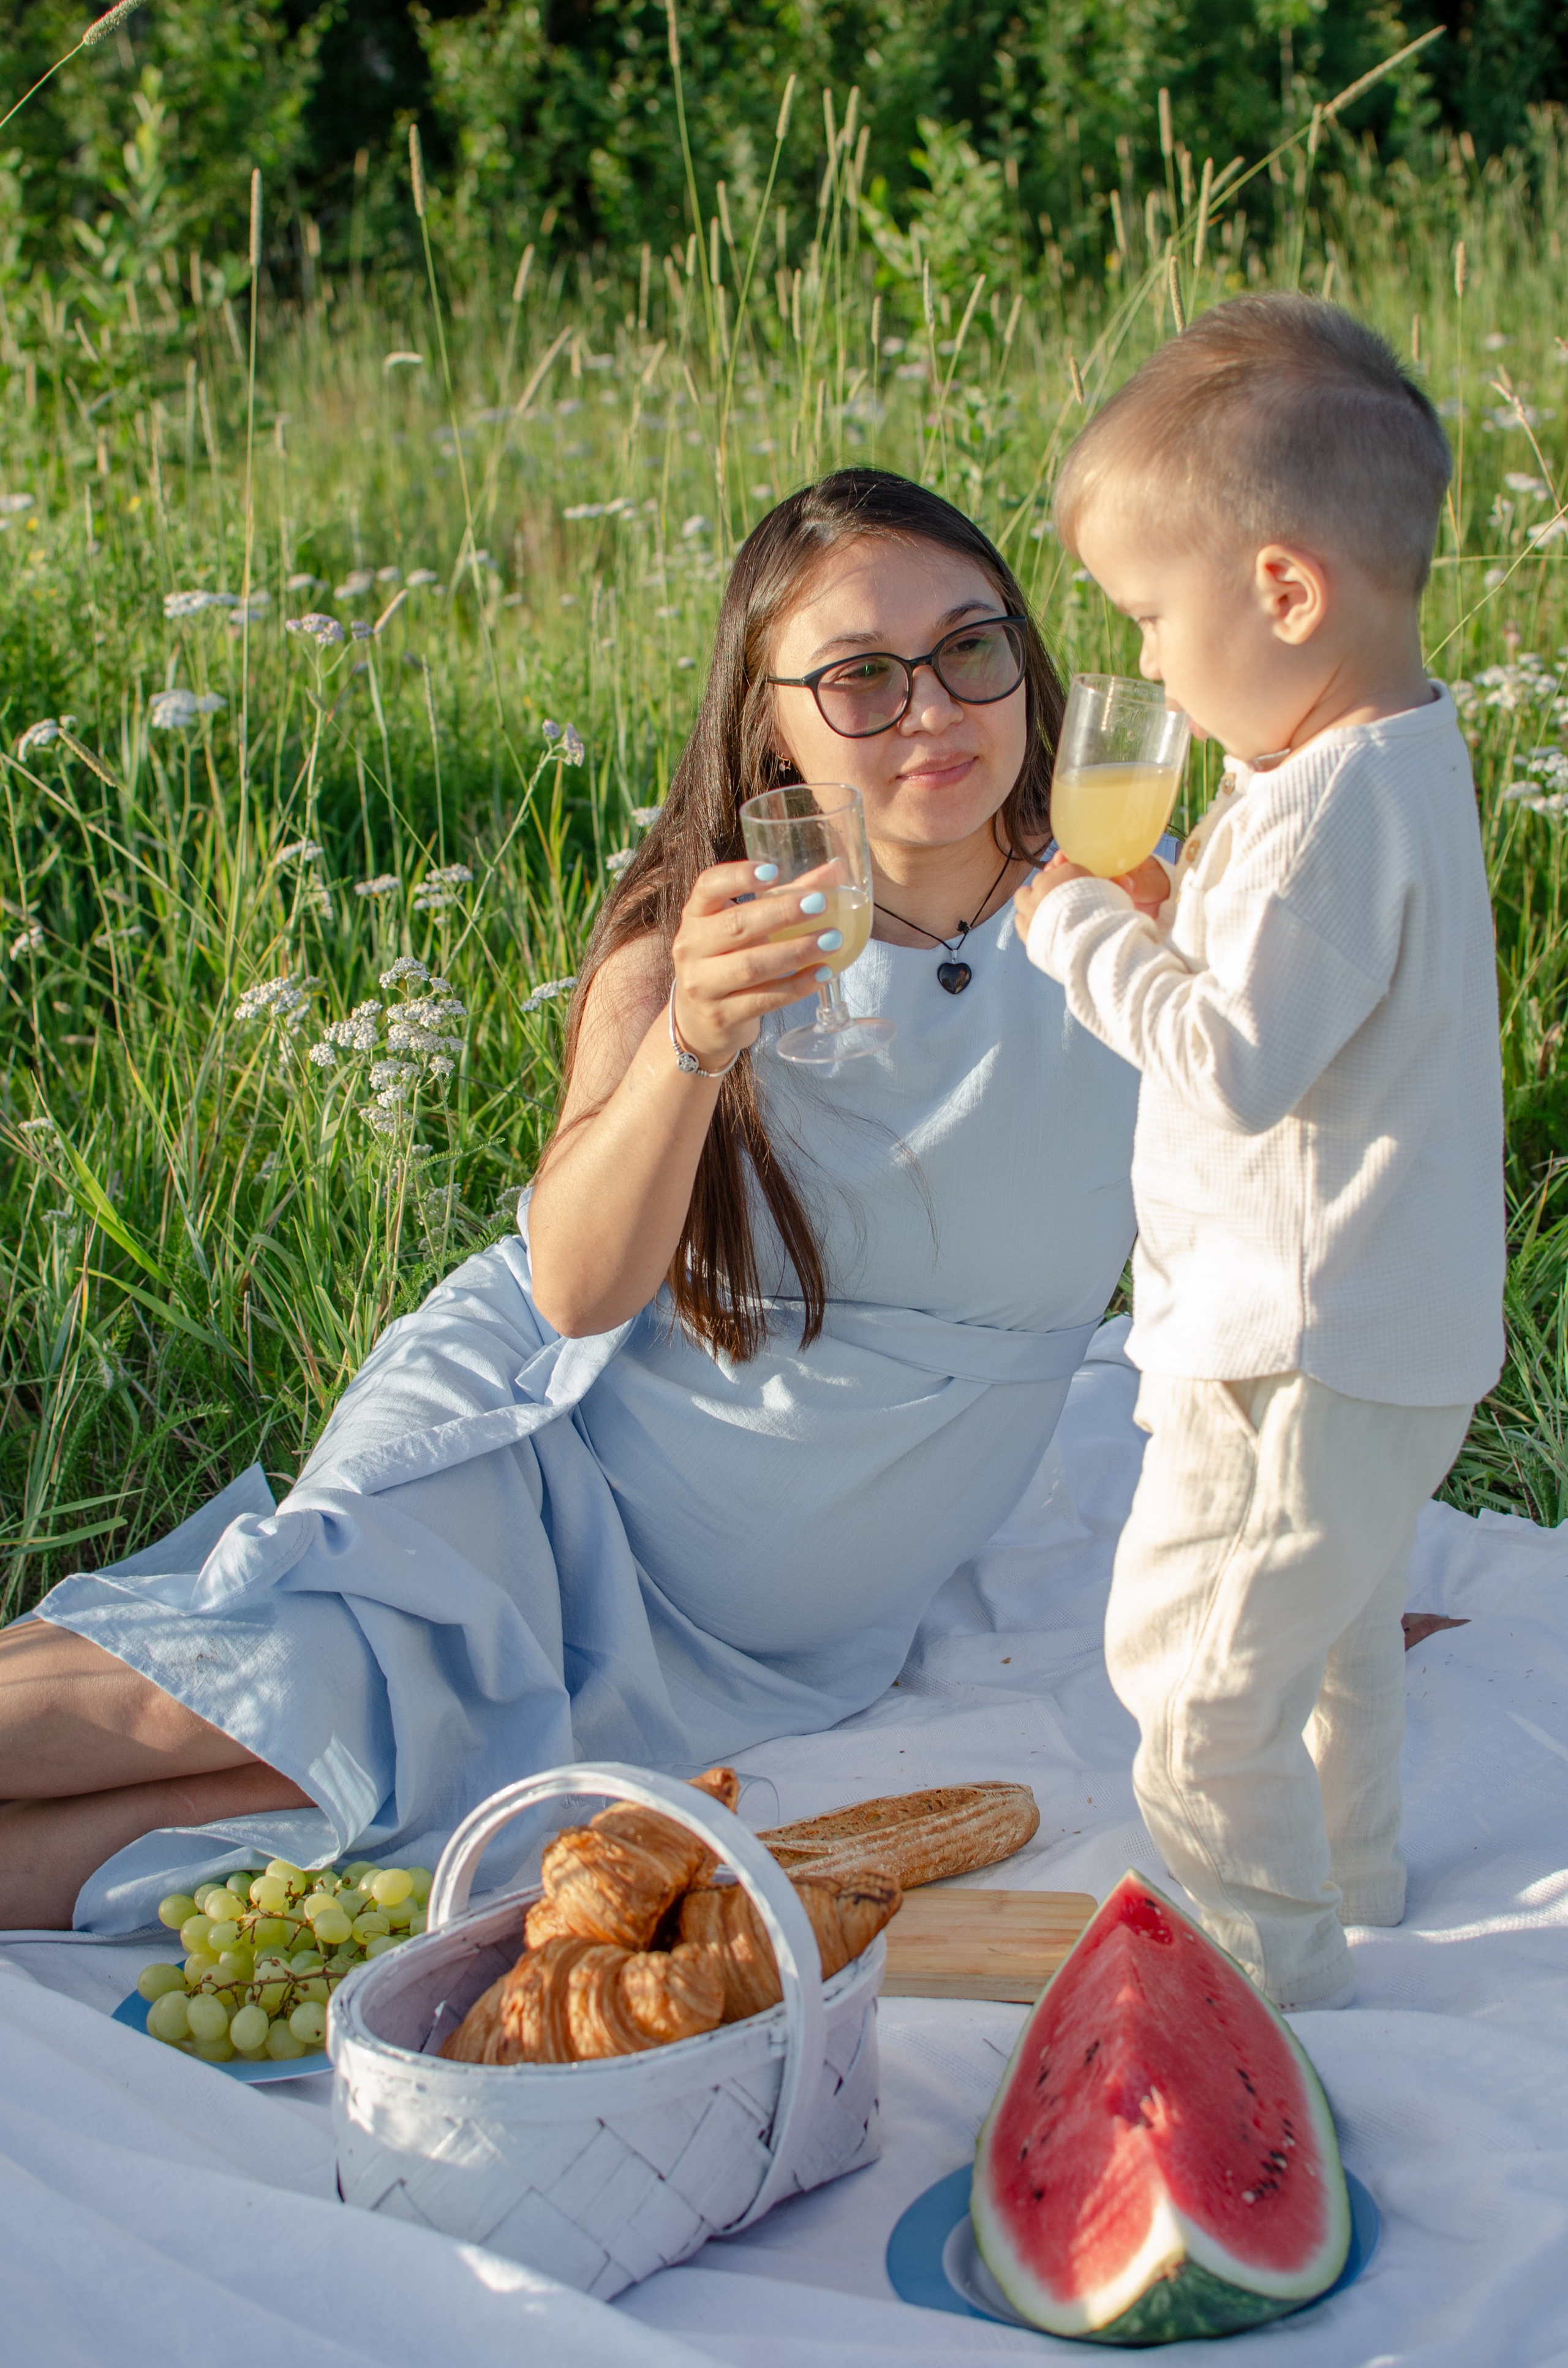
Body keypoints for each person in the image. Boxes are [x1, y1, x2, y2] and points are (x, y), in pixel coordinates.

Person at [1, 469, 1164, 1932]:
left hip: (750, 1660)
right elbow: (572, 1291)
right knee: (264, 1687)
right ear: (773, 725)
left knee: (297, 1823)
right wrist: (694, 1034)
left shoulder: (1135, 914)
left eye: (969, 647)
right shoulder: (695, 941)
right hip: (541, 1464)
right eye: (860, 678)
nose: (931, 708)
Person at [1014, 295, 1507, 2011]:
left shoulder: (1315, 814)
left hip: (1292, 1343)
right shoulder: (1391, 757)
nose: (1142, 663)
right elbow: (1313, 996)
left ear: (1285, 589)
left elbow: (1231, 1065)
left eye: (1152, 615)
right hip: (1397, 1328)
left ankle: (1257, 1985)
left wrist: (1082, 931)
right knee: (1339, 1630)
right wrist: (1177, 909)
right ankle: (1354, 1878)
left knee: (1198, 1667)